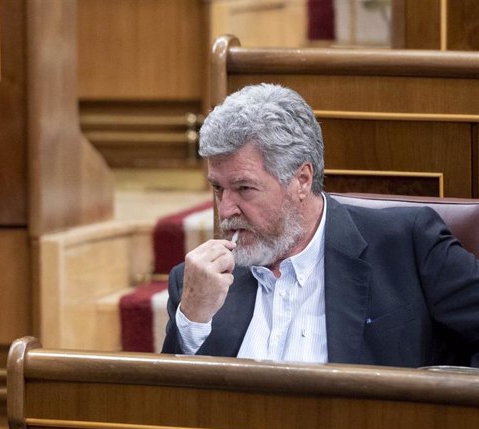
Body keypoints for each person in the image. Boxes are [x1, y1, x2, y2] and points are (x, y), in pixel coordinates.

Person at [161, 83, 479, 368]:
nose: (225, 209)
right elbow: (167, 405)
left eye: (244, 188)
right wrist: (191, 320)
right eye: (218, 189)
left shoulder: (407, 245)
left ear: (301, 180)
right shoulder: (198, 284)